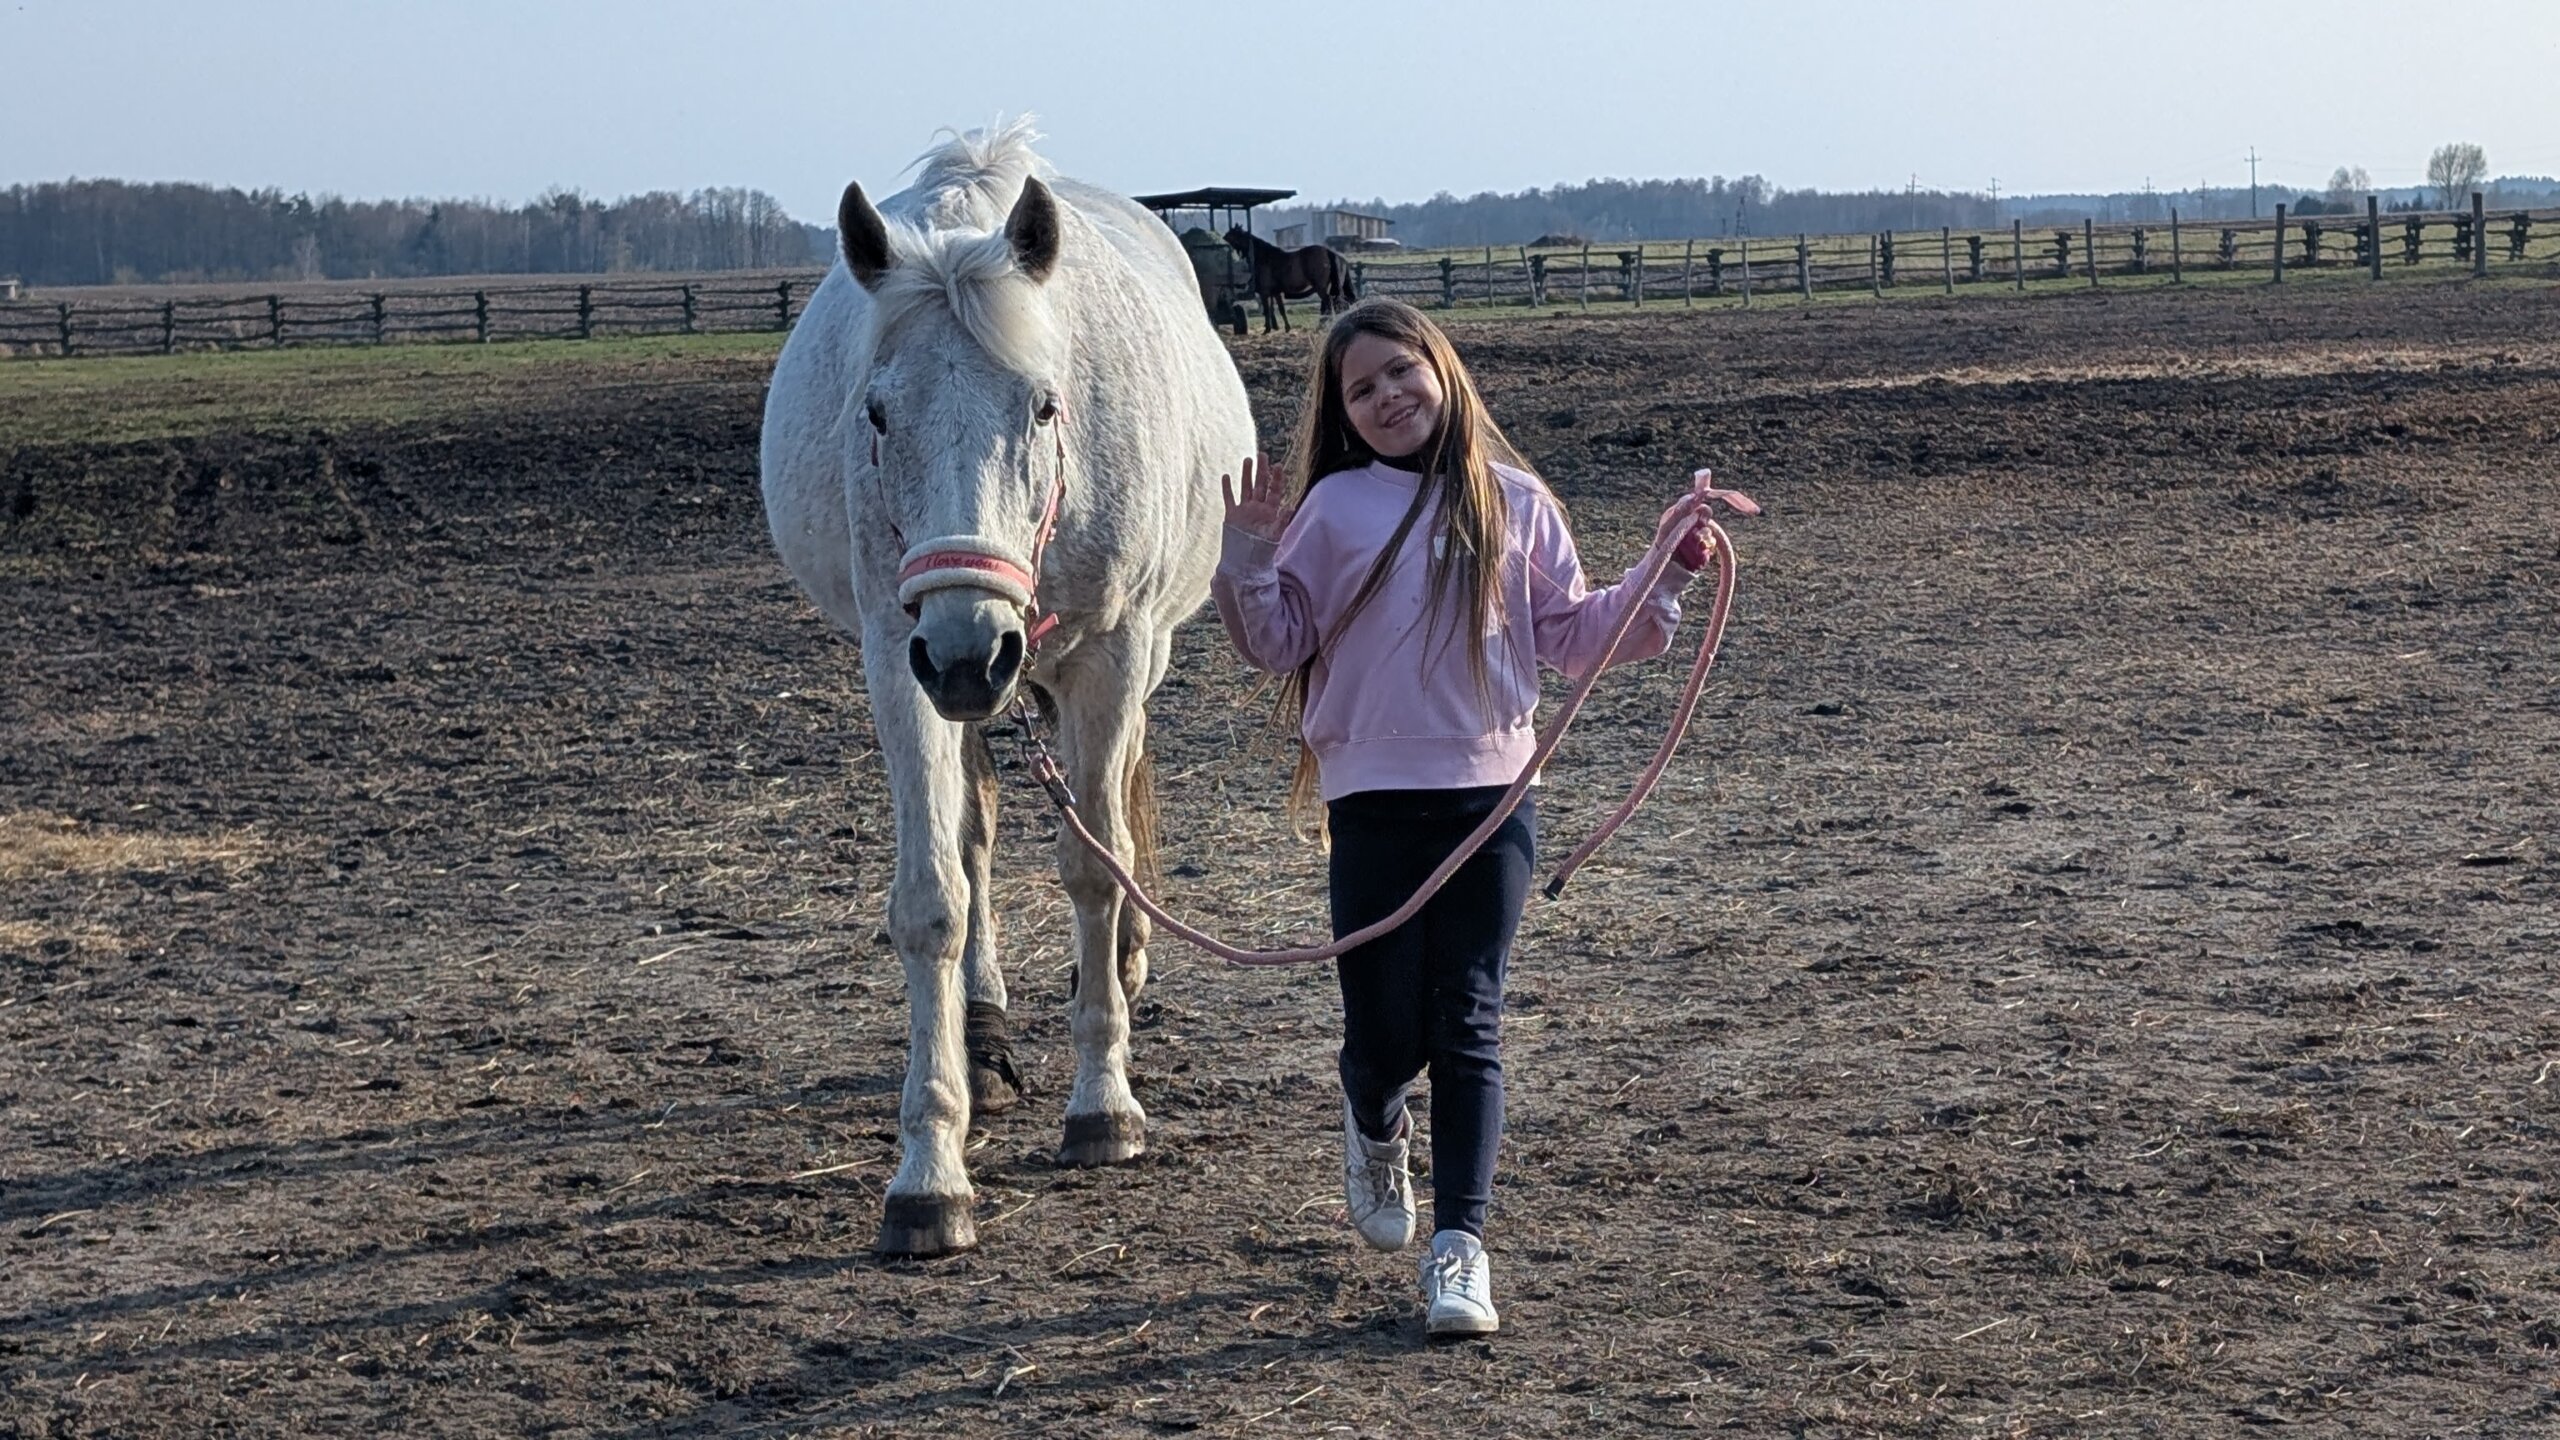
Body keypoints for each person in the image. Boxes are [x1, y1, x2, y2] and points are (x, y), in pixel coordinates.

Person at [1212, 297, 1719, 1337]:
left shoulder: (1515, 501)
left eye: (1401, 371)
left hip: (1494, 797)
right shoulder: (1331, 509)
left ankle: (1461, 1251)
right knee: (1385, 1031)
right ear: (1342, 413)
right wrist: (1247, 555)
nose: (1387, 396)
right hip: (1370, 801)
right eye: (1362, 388)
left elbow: (1576, 639)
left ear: (1440, 371)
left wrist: (1664, 565)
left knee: (1470, 1020)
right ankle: (1372, 1114)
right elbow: (1273, 643)